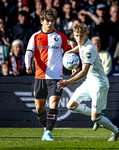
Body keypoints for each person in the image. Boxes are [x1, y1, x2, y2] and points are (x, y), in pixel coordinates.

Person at [58, 23, 119, 141]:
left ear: (86, 35)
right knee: (71, 106)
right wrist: (70, 58)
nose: (78, 38)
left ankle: (116, 131)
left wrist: (68, 82)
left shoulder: (89, 49)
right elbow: (76, 48)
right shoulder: (81, 43)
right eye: (76, 36)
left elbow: (84, 72)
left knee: (95, 118)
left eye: (81, 36)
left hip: (99, 84)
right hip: (89, 82)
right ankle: (98, 116)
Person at [25, 8, 72, 141]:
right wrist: (28, 65)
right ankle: (46, 128)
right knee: (39, 108)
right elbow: (28, 53)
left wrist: (73, 66)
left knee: (54, 102)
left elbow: (69, 53)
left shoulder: (61, 36)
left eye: (52, 21)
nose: (50, 23)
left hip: (56, 76)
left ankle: (48, 132)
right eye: (47, 21)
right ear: (41, 21)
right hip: (40, 76)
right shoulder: (35, 37)